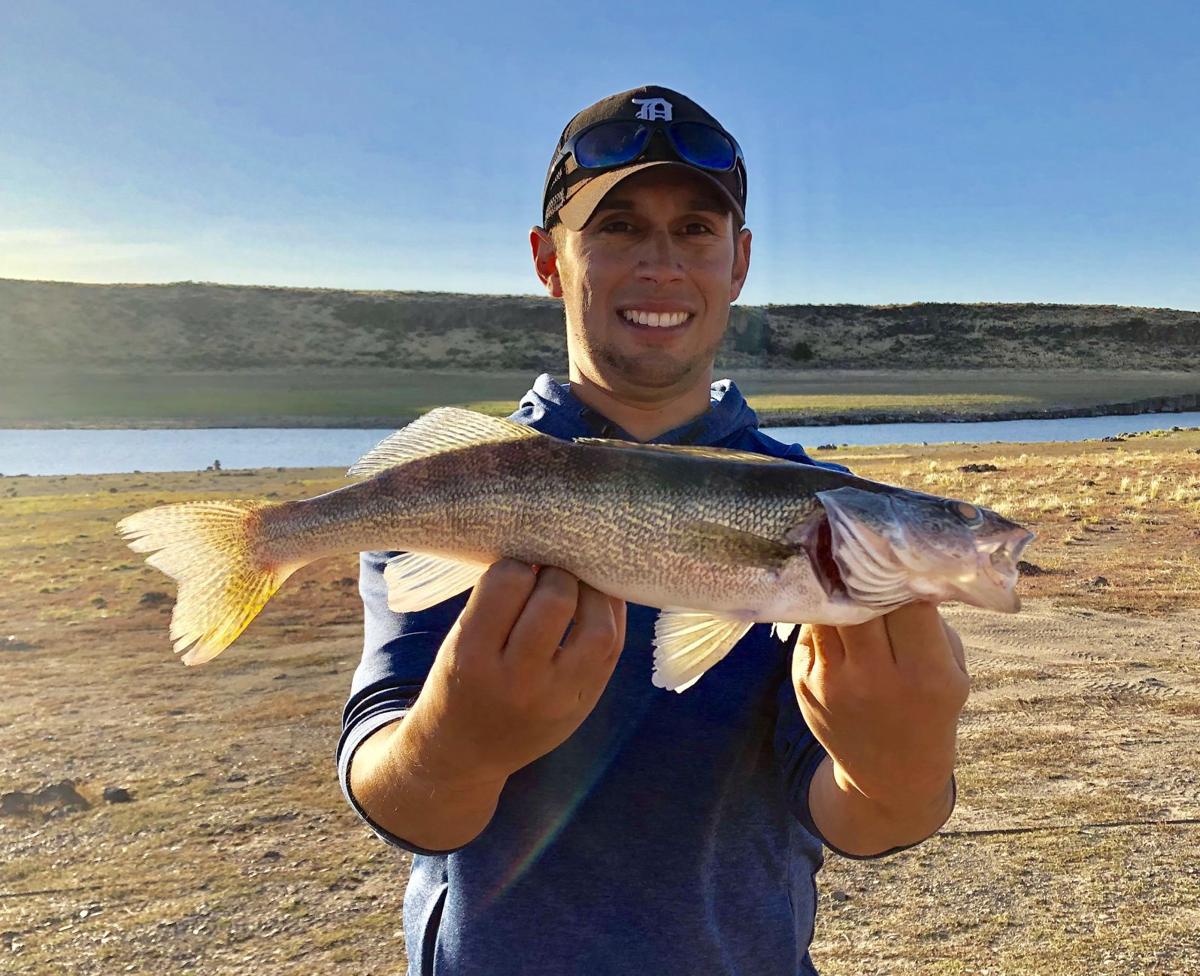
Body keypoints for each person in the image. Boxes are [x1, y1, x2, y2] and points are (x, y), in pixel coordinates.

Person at [337, 85, 969, 976]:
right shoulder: (459, 489)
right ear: (548, 260)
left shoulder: (818, 518)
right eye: (619, 227)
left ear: (739, 261)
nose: (662, 264)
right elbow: (394, 793)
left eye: (696, 230)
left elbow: (858, 816)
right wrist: (454, 745)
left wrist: (903, 764)